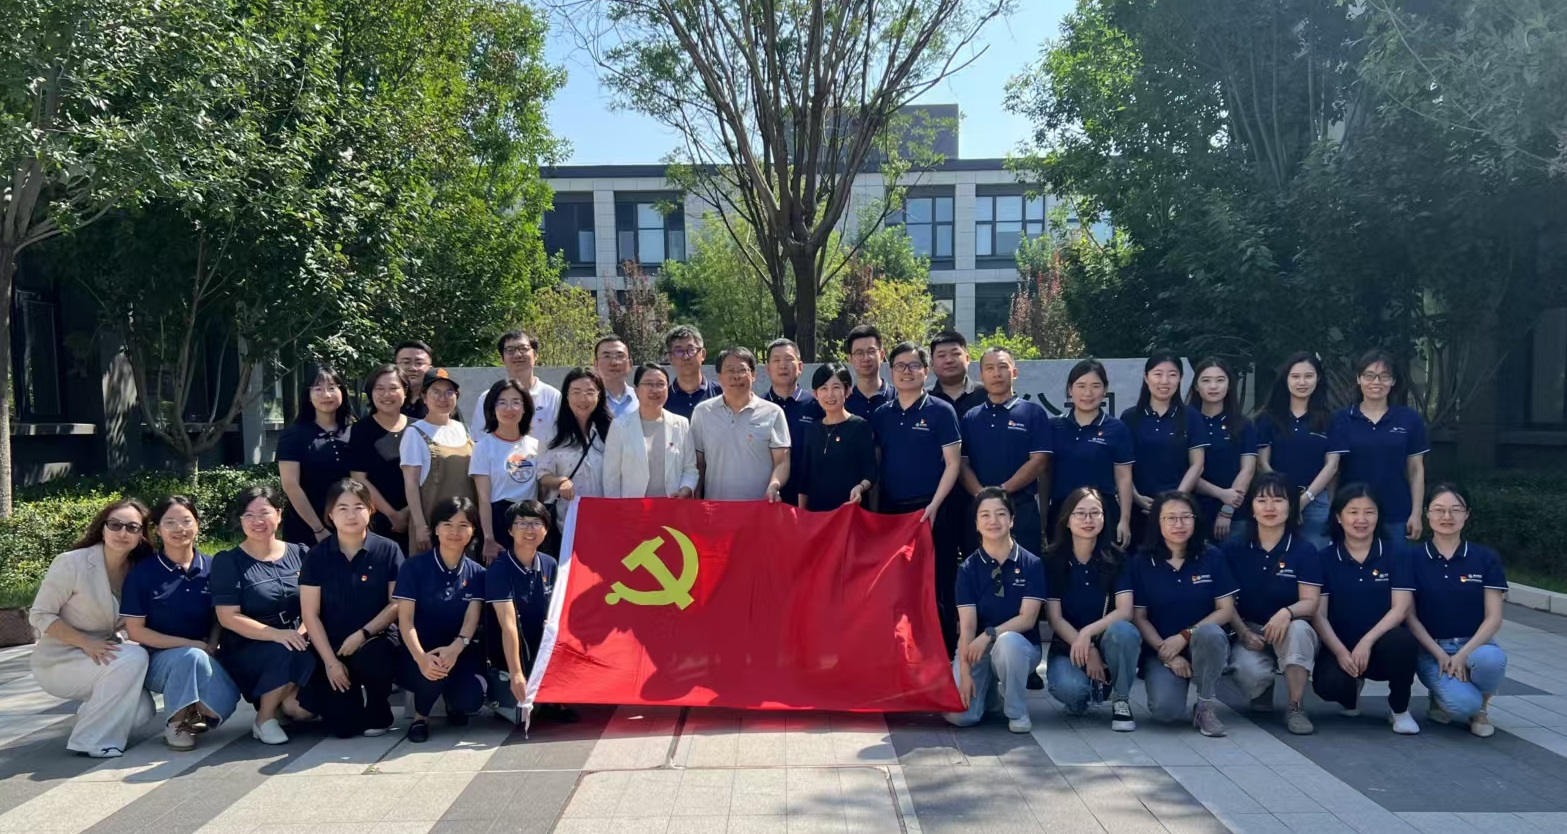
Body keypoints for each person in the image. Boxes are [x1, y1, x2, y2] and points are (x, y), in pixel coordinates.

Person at [29, 500, 156, 758]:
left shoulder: (139, 570)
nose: (123, 532)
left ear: (141, 535)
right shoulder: (72, 563)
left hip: (103, 657)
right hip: (61, 661)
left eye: (132, 527)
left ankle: (91, 716)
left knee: (142, 713)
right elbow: (40, 614)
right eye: (115, 525)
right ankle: (91, 741)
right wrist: (85, 642)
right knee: (134, 656)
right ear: (102, 528)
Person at [121, 496, 239, 751]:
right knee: (190, 657)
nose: (179, 529)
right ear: (157, 529)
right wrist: (191, 644)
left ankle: (195, 709)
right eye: (170, 522)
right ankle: (176, 723)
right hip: (157, 660)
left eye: (186, 521)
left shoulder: (213, 567)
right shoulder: (142, 573)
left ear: (197, 524)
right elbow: (136, 631)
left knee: (219, 707)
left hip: (205, 654)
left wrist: (212, 644)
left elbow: (219, 616)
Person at [871, 342, 963, 653]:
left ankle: (945, 652)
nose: (907, 372)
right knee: (898, 584)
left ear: (926, 371)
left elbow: (953, 464)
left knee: (938, 581)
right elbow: (878, 464)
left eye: (913, 366)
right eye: (900, 366)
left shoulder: (941, 411)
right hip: (894, 514)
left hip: (934, 510)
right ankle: (902, 650)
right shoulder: (882, 414)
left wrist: (934, 505)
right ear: (891, 371)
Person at [1311, 483, 1421, 734]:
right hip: (1341, 644)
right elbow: (1320, 615)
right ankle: (1352, 691)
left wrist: (1367, 642)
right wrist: (1340, 652)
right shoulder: (1324, 558)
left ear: (1378, 516)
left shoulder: (1396, 555)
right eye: (1353, 512)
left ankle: (1399, 709)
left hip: (1382, 644)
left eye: (1369, 512)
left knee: (1403, 642)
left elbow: (1400, 608)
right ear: (1339, 517)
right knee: (1329, 685)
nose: (1361, 519)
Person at [299, 479, 405, 738]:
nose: (351, 515)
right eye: (342, 508)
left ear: (370, 510)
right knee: (343, 728)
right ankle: (349, 698)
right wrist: (331, 663)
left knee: (374, 657)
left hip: (376, 639)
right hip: (333, 645)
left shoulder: (388, 549)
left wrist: (363, 634)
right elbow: (310, 614)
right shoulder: (316, 556)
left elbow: (397, 602)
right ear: (330, 515)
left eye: (358, 507)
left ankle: (379, 707)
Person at [210, 485, 315, 745]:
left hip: (301, 635)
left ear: (278, 514)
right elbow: (228, 617)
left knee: (302, 710)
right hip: (250, 643)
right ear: (240, 520)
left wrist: (302, 631)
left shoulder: (301, 553)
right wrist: (278, 635)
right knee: (286, 650)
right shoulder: (228, 561)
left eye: (265, 513)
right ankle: (264, 718)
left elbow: (316, 604)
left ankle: (281, 702)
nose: (257, 521)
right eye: (249, 515)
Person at [1222, 473, 1322, 735]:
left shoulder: (1304, 550)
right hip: (1249, 629)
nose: (1270, 507)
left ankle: (1295, 706)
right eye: (1262, 500)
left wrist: (1287, 613)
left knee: (1299, 631)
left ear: (1291, 507)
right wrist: (1243, 632)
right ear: (1251, 507)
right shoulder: (1234, 549)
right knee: (1250, 672)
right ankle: (1262, 689)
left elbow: (1310, 602)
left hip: (1290, 628)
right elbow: (1225, 602)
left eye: (1278, 500)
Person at [1129, 491, 1236, 737]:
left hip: (1202, 642)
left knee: (1210, 633)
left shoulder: (1212, 556)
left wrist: (1185, 636)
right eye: (1171, 518)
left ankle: (1205, 706)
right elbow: (1139, 616)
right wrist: (1167, 653)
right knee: (1165, 712)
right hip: (1163, 647)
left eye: (1186, 517)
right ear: (1158, 522)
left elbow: (1226, 610)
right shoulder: (1142, 562)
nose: (1179, 524)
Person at [1407, 483, 1507, 737]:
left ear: (1467, 514)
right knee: (1463, 704)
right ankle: (1443, 697)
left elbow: (1494, 618)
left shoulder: (1484, 558)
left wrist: (1463, 654)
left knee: (1491, 660)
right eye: (1439, 509)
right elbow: (1409, 616)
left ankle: (1481, 710)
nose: (1447, 517)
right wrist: (1440, 654)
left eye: (1455, 510)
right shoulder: (1412, 559)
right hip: (1432, 650)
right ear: (1427, 514)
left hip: (1475, 645)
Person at [944, 488, 1047, 733]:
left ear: (1012, 520)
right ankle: (990, 696)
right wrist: (965, 673)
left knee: (1008, 642)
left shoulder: (1032, 564)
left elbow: (1027, 619)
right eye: (985, 515)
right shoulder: (968, 569)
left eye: (1000, 514)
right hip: (977, 649)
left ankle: (1016, 711)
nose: (993, 521)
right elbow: (967, 627)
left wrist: (989, 634)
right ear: (976, 524)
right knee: (960, 716)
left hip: (1020, 647)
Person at [1042, 487, 1139, 732]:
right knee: (1072, 691)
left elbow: (1125, 611)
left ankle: (1121, 699)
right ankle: (1091, 689)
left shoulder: (1117, 558)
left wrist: (1088, 634)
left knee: (1124, 631)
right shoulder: (1052, 560)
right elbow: (1055, 618)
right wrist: (1087, 648)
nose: (1088, 520)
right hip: (1068, 646)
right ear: (1067, 520)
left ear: (1104, 518)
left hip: (1108, 643)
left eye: (1095, 513)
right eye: (1080, 513)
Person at [394, 497, 487, 743]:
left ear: (473, 530)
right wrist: (421, 658)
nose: (455, 532)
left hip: (459, 651)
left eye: (463, 525)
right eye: (447, 524)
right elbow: (406, 621)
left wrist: (455, 649)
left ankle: (453, 702)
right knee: (432, 670)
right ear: (435, 529)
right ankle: (420, 718)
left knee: (470, 700)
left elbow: (471, 620)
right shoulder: (414, 567)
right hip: (416, 651)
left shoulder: (478, 573)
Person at [959, 347, 1052, 553]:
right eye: (989, 368)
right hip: (981, 510)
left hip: (1021, 509)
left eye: (1002, 367)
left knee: (1023, 569)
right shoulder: (970, 417)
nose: (996, 374)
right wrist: (982, 495)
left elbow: (1039, 461)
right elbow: (962, 464)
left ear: (1014, 372)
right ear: (981, 375)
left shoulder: (1033, 413)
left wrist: (1002, 491)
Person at [485, 500, 569, 723]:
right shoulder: (499, 570)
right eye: (521, 523)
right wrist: (516, 674)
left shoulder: (550, 564)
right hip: (512, 653)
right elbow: (508, 626)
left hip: (542, 648)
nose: (529, 529)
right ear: (510, 530)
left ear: (546, 529)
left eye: (536, 523)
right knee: (520, 716)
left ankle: (554, 699)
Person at [1332, 349, 1429, 541]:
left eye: (1384, 376)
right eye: (1369, 375)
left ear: (1393, 381)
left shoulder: (1409, 419)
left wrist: (1416, 513)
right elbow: (1333, 470)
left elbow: (1416, 469)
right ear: (1359, 379)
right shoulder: (1341, 420)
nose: (1376, 382)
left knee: (1395, 561)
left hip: (1396, 512)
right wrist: (1331, 509)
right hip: (1351, 513)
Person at [1256, 352, 1342, 549]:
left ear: (1318, 379)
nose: (1302, 382)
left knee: (1316, 557)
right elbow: (1262, 463)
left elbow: (1332, 465)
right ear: (1285, 379)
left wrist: (1303, 500)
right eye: (1295, 376)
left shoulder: (1331, 419)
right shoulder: (1268, 418)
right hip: (1274, 501)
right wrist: (1286, 499)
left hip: (1316, 501)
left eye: (1308, 376)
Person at [1121, 353, 1207, 548]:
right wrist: (1136, 496)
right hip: (1140, 507)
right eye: (1158, 374)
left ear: (1180, 378)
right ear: (1146, 377)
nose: (1165, 381)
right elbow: (1122, 467)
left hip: (1180, 510)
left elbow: (1197, 464)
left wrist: (1174, 501)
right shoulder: (1130, 417)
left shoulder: (1190, 416)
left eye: (1172, 374)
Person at [1049, 359, 1135, 547]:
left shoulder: (1117, 429)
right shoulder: (1053, 426)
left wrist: (1124, 520)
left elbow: (1124, 479)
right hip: (1061, 513)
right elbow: (1044, 476)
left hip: (1102, 513)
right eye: (1081, 386)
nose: (1088, 393)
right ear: (1070, 389)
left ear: (1105, 390)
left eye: (1095, 386)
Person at [691, 347, 791, 501]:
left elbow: (782, 461)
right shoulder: (703, 412)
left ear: (753, 375)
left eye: (742, 370)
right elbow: (698, 464)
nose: (736, 376)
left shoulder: (773, 412)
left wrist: (774, 485)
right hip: (716, 508)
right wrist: (696, 499)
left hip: (759, 507)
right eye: (730, 370)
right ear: (719, 377)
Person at [401, 367, 477, 554]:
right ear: (424, 397)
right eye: (436, 392)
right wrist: (420, 525)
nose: (443, 398)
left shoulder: (464, 429)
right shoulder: (415, 433)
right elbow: (411, 484)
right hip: (431, 523)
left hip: (465, 524)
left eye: (449, 392)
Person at [277, 366, 354, 544]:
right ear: (308, 396)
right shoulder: (293, 435)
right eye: (318, 389)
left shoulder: (355, 432)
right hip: (306, 527)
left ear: (342, 392)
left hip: (351, 523)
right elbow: (290, 485)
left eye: (332, 388)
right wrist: (318, 528)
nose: (326, 395)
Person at [470, 379, 541, 563]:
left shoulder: (535, 446)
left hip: (531, 522)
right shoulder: (483, 447)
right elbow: (483, 499)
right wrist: (489, 538)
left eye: (516, 402)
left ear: (525, 408)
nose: (509, 408)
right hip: (499, 523)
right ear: (492, 408)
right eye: (502, 402)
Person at [538, 367, 613, 539]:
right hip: (567, 521)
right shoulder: (552, 433)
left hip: (606, 518)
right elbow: (542, 476)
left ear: (599, 395)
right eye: (576, 392)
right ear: (566, 395)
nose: (583, 399)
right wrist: (561, 481)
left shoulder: (612, 431)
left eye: (590, 392)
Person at [1189, 358, 1257, 544]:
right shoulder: (1186, 422)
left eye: (1220, 380)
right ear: (1196, 386)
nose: (1213, 386)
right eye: (1206, 380)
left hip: (1235, 514)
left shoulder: (1243, 424)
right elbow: (1184, 470)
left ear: (1229, 385)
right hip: (1192, 512)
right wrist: (1220, 493)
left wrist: (1228, 509)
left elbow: (1248, 469)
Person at [604, 364, 698, 499]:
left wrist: (685, 489)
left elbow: (690, 469)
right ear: (636, 389)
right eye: (648, 384)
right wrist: (616, 508)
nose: (655, 390)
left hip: (671, 506)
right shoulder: (620, 426)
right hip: (633, 507)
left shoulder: (681, 424)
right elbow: (611, 476)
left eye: (660, 384)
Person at [796, 363, 877, 512]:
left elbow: (870, 472)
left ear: (847, 391)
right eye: (823, 388)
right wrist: (802, 515)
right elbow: (804, 479)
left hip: (850, 512)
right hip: (818, 515)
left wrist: (860, 487)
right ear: (815, 393)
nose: (830, 395)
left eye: (836, 387)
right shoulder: (811, 430)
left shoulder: (860, 426)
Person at [350, 365, 412, 553]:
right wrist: (393, 515)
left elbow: (430, 476)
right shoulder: (361, 430)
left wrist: (409, 511)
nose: (387, 394)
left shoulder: (419, 428)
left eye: (393, 388)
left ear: (405, 391)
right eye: (380, 388)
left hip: (419, 518)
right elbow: (359, 478)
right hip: (379, 521)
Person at [468, 330, 562, 448]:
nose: (517, 355)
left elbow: (562, 441)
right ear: (502, 358)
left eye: (523, 348)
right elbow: (478, 440)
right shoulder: (488, 398)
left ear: (536, 355)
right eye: (510, 350)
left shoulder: (553, 397)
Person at [763, 338, 818, 506]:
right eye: (776, 360)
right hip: (767, 496)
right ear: (768, 368)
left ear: (800, 367)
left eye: (788, 359)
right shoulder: (758, 407)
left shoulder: (816, 405)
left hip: (808, 496)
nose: (782, 365)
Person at [663, 324, 721, 419]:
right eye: (679, 351)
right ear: (670, 358)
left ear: (703, 354)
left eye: (691, 349)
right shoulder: (663, 399)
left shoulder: (721, 394)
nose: (686, 357)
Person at [928, 330, 988, 420]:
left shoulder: (987, 394)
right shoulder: (924, 399)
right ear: (932, 364)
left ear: (967, 359)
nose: (949, 360)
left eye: (955, 354)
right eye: (942, 355)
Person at [843, 324, 891, 418]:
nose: (866, 358)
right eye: (859, 353)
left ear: (881, 355)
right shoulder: (843, 402)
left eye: (871, 351)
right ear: (850, 358)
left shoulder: (898, 398)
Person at [594, 335, 639, 419]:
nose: (614, 362)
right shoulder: (588, 400)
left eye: (620, 356)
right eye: (607, 356)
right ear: (596, 364)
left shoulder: (641, 398)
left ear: (630, 364)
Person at [394, 340, 434, 420]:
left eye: (419, 363)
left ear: (430, 368)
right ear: (395, 367)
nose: (412, 368)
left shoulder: (440, 399)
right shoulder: (387, 398)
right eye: (406, 362)